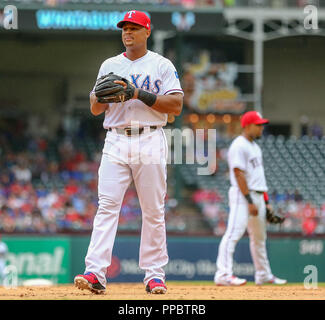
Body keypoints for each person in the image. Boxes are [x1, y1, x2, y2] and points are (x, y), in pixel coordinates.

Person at [74, 10, 183, 294]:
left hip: (149, 137)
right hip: (116, 140)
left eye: (134, 28)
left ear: (147, 32)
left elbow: (176, 106)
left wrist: (137, 93)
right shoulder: (109, 64)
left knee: (153, 209)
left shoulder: (161, 65)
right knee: (107, 206)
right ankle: (95, 272)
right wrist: (98, 95)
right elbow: (95, 107)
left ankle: (154, 275)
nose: (127, 32)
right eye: (124, 28)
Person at [214, 111, 287, 286]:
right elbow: (238, 174)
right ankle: (223, 274)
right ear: (247, 126)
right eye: (258, 125)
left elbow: (259, 178)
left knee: (259, 238)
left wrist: (266, 203)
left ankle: (263, 274)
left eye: (262, 125)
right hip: (243, 195)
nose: (261, 128)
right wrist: (249, 200)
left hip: (258, 195)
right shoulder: (239, 145)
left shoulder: (255, 147)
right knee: (233, 233)